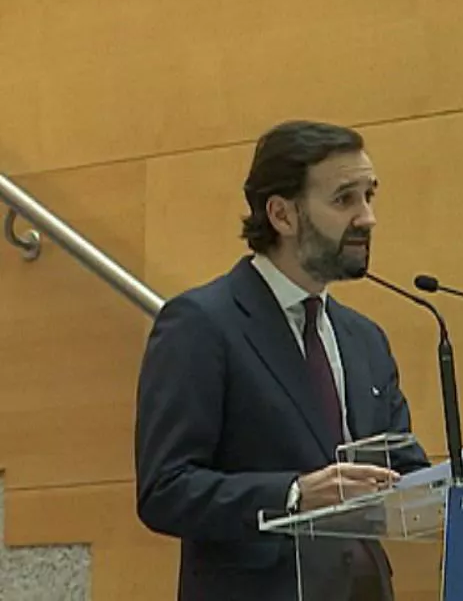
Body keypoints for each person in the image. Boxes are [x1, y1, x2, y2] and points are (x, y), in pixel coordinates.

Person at [134, 120, 430, 600]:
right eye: (345, 199)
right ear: (282, 215)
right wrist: (292, 494)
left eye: (369, 196)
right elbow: (165, 489)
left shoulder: (365, 339)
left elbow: (401, 467)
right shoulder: (202, 324)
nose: (367, 217)